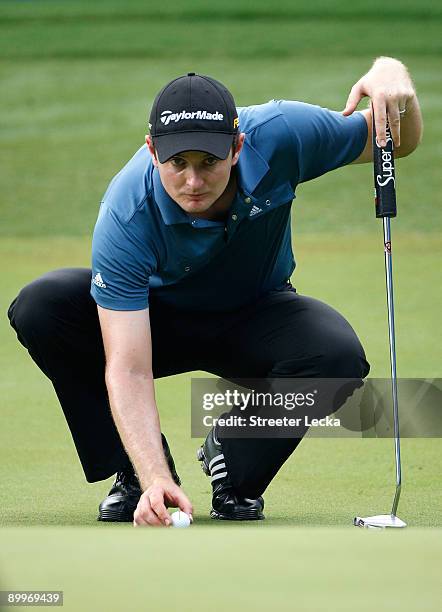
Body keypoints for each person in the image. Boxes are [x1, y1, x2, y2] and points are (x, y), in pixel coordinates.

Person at [8, 58, 422, 527]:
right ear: (152, 151)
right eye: (177, 163)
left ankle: (234, 461)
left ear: (237, 146)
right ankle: (135, 473)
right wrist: (152, 475)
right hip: (155, 318)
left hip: (256, 312)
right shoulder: (126, 212)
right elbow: (128, 368)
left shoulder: (282, 134)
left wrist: (395, 79)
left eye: (209, 162)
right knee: (42, 306)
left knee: (336, 355)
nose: (193, 181)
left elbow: (397, 141)